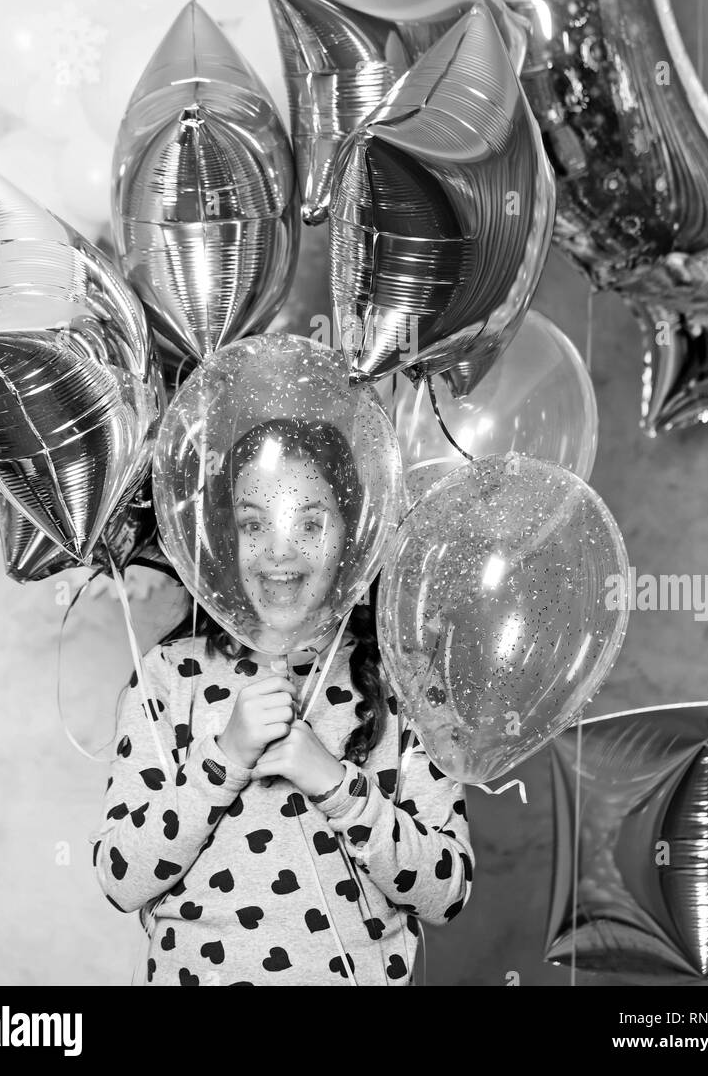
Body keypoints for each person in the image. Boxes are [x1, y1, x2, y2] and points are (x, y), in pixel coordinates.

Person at [91, 417, 474, 986]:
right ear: (228, 535)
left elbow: (446, 893)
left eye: (310, 523)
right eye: (254, 523)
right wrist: (222, 759)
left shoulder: (408, 681)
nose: (279, 552)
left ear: (357, 534)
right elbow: (121, 879)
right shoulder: (169, 676)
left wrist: (338, 786)